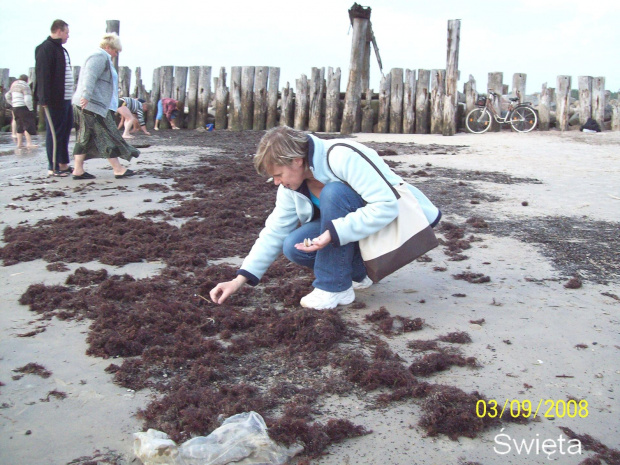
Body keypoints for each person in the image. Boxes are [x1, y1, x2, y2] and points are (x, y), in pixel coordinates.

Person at [209, 126, 442, 310]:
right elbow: (275, 231)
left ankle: (333, 286)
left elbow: (386, 206)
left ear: (297, 161)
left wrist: (332, 233)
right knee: (292, 246)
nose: (277, 182)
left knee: (334, 192)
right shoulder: (291, 188)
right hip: (357, 237)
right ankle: (358, 274)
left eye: (278, 174)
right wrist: (239, 279)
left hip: (393, 228)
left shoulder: (341, 155)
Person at [71, 33, 139, 180]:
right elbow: (90, 76)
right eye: (115, 51)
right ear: (108, 47)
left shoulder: (102, 57)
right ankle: (118, 169)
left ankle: (78, 170)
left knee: (84, 137)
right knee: (106, 136)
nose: (116, 54)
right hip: (92, 105)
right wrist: (86, 95)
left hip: (90, 103)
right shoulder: (98, 56)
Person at [35, 19, 74, 176]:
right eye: (66, 32)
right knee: (54, 133)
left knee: (65, 130)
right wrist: (43, 100)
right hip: (53, 100)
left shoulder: (61, 50)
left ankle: (63, 163)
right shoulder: (45, 49)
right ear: (59, 31)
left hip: (65, 99)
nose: (68, 36)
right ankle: (53, 166)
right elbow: (43, 75)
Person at [5, 75, 38, 149]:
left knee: (19, 125)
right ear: (26, 80)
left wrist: (12, 103)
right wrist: (30, 109)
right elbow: (27, 99)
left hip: (15, 107)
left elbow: (7, 95)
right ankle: (29, 143)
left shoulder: (14, 85)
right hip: (23, 107)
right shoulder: (25, 86)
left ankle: (19, 144)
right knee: (27, 125)